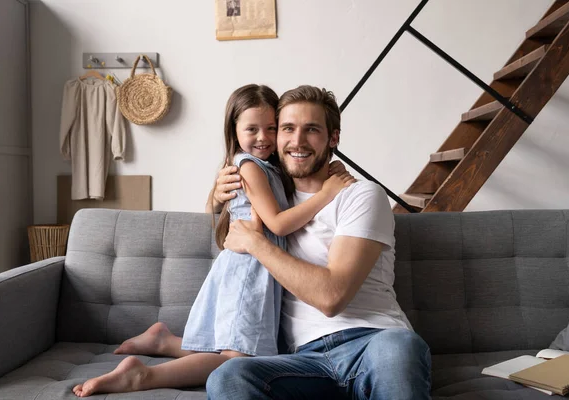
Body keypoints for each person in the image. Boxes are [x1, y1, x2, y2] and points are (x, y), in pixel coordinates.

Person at [72, 84, 354, 397]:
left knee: (250, 350)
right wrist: (329, 193)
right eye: (252, 129)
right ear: (234, 130)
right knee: (239, 359)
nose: (263, 137)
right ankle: (144, 376)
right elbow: (278, 224)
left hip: (259, 268)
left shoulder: (271, 168)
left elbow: (239, 207)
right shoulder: (248, 166)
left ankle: (164, 342)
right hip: (249, 270)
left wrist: (330, 173)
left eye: (271, 128)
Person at [206, 85, 432, 400]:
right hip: (303, 360)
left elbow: (331, 296)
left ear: (333, 138)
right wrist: (218, 198)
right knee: (228, 378)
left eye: (311, 130)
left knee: (399, 348)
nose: (297, 141)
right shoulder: (274, 197)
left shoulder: (361, 195)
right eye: (287, 128)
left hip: (374, 342)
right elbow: (225, 224)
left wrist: (257, 244)